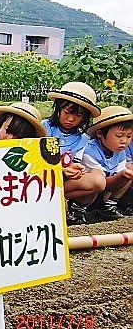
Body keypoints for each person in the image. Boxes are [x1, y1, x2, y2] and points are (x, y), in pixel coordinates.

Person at [43, 82, 105, 225]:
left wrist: (75, 169)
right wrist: (61, 170)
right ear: (58, 108)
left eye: (78, 115)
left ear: (85, 118)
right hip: (42, 180)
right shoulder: (44, 128)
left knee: (98, 179)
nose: (71, 119)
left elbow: (74, 162)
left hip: (64, 181)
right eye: (67, 112)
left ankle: (77, 211)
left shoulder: (82, 139)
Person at [81, 106, 133, 222]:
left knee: (128, 173)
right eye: (119, 136)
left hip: (107, 188)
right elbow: (103, 183)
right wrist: (123, 175)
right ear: (100, 134)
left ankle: (109, 205)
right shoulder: (89, 152)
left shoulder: (120, 152)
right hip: (91, 190)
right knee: (124, 174)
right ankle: (78, 209)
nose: (124, 141)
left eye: (129, 136)